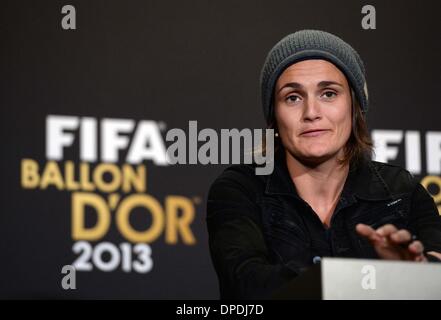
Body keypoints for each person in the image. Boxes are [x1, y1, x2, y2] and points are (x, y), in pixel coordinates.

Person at [206, 30, 441, 299]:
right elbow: (249, 287)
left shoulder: (403, 191)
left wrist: (416, 273)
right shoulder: (240, 190)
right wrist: (379, 278)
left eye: (328, 94)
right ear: (273, 116)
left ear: (354, 108)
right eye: (293, 97)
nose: (311, 113)